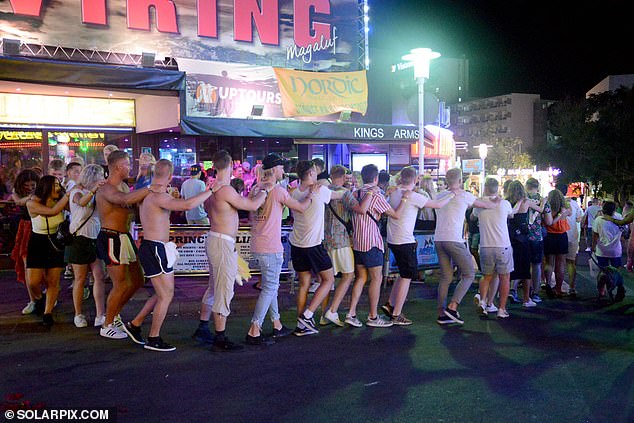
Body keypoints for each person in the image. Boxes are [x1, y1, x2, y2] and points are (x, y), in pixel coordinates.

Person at [129, 159, 212, 351]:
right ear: (169, 176)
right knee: (166, 294)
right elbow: (187, 205)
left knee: (163, 293)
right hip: (155, 248)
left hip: (155, 247)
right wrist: (210, 191)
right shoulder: (157, 196)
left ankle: (136, 324)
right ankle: (153, 338)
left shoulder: (151, 194)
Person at [194, 150, 267, 351]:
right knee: (224, 289)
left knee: (214, 287)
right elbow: (252, 206)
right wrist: (265, 191)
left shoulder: (213, 189)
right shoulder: (225, 189)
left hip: (215, 239)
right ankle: (220, 336)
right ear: (230, 166)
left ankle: (203, 326)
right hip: (222, 242)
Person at [245, 153, 312, 345]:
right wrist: (312, 195)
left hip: (257, 243)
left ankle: (277, 324)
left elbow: (251, 215)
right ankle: (254, 329)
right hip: (271, 246)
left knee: (270, 286)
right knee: (269, 288)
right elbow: (300, 207)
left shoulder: (255, 188)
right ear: (274, 169)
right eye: (282, 167)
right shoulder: (278, 190)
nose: (284, 171)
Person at [383, 166, 454, 324]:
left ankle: (390, 304)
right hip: (404, 240)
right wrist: (452, 195)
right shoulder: (413, 196)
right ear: (415, 180)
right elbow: (437, 205)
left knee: (402, 274)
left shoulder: (393, 192)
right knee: (407, 276)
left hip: (393, 239)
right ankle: (396, 313)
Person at [95, 150, 155, 339]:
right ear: (119, 167)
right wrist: (152, 188)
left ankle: (114, 316)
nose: (131, 168)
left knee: (137, 280)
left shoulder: (122, 185)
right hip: (111, 238)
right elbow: (124, 200)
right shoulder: (106, 188)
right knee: (120, 284)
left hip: (124, 237)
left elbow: (129, 203)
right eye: (128, 164)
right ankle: (107, 324)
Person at [434, 168, 499, 325]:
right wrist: (496, 200)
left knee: (445, 277)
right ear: (460, 180)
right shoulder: (464, 195)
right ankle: (453, 306)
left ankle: (441, 314)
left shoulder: (440, 195)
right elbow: (485, 205)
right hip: (454, 240)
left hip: (439, 239)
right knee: (469, 273)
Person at [346, 164, 408, 328]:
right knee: (376, 278)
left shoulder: (355, 193)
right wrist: (404, 199)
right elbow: (396, 215)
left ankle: (351, 313)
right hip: (372, 242)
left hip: (358, 242)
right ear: (375, 179)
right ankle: (373, 316)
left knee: (360, 278)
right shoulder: (375, 195)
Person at [289, 160, 347, 335]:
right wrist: (351, 189)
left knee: (304, 283)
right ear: (311, 173)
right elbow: (339, 196)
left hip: (296, 243)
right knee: (328, 279)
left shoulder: (293, 192)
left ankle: (301, 323)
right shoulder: (319, 191)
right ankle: (307, 316)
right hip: (313, 244)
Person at [320, 165, 372, 327]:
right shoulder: (345, 193)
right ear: (343, 177)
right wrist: (370, 192)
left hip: (325, 240)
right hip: (341, 240)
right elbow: (361, 210)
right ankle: (333, 311)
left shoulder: (323, 190)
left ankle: (323, 315)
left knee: (327, 281)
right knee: (349, 275)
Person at [25, 175, 72, 326]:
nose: (58, 188)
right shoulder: (32, 203)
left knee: (53, 280)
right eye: (55, 185)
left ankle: (48, 313)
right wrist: (68, 195)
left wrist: (71, 197)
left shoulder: (61, 200)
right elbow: (52, 211)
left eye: (59, 185)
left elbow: (74, 209)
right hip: (38, 242)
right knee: (33, 282)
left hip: (55, 241)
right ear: (45, 187)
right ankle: (39, 299)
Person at [65, 165, 107, 328]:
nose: (102, 178)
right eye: (101, 176)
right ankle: (78, 314)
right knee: (80, 278)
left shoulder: (97, 193)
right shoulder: (77, 190)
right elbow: (81, 202)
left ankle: (100, 314)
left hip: (95, 238)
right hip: (79, 239)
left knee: (99, 276)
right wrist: (94, 189)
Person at [473, 178, 516, 319]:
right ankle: (501, 309)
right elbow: (511, 214)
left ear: (485, 188)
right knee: (505, 277)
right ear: (498, 188)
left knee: (487, 276)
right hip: (503, 245)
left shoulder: (479, 204)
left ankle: (484, 301)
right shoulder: (505, 204)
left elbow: (473, 216)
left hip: (486, 245)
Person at [505, 180, 543, 308]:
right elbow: (541, 209)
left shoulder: (507, 202)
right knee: (526, 268)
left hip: (510, 237)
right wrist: (543, 201)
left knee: (510, 267)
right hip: (523, 237)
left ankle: (507, 295)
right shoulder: (526, 202)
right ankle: (526, 299)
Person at [10, 169, 40, 315]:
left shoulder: (41, 191)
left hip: (39, 227)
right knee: (27, 264)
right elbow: (17, 200)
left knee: (42, 267)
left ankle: (40, 297)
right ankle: (33, 300)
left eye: (32, 185)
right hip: (26, 228)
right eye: (26, 185)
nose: (29, 188)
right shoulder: (17, 192)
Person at [542, 189, 572, 298]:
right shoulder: (565, 209)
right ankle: (558, 288)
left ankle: (548, 284)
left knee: (549, 262)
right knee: (560, 264)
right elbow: (570, 212)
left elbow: (546, 222)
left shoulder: (548, 209)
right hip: (561, 236)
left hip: (549, 236)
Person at [525, 178, 548, 303]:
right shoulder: (542, 200)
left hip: (522, 237)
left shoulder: (521, 198)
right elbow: (548, 220)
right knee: (536, 266)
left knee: (523, 264)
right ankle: (535, 292)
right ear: (537, 187)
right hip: (536, 236)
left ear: (526, 186)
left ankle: (520, 291)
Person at [563, 192, 584, 296]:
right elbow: (579, 219)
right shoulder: (574, 204)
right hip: (572, 235)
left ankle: (555, 286)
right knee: (571, 262)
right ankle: (571, 287)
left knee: (557, 263)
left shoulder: (554, 201)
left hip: (558, 235)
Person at [592, 201, 625, 269]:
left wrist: (593, 247)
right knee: (616, 272)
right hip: (615, 250)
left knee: (603, 273)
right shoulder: (619, 218)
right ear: (614, 209)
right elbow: (624, 230)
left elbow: (595, 235)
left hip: (601, 250)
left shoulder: (599, 219)